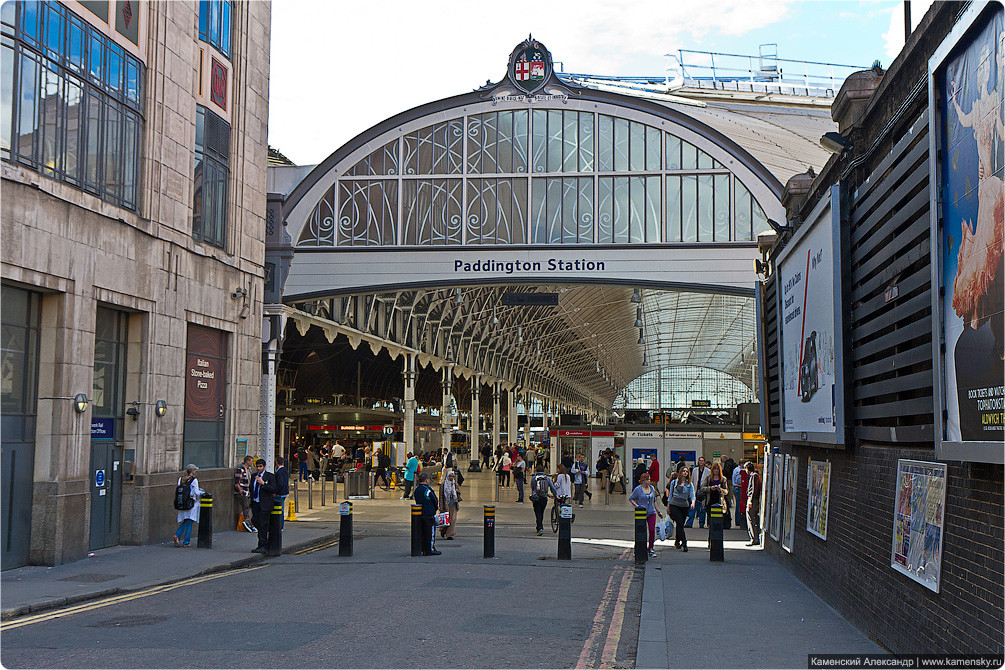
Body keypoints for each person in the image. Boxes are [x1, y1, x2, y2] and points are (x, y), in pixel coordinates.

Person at [628, 472, 664, 558]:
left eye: (649, 479)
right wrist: (637, 506)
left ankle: (650, 548)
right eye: (648, 479)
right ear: (643, 480)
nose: (649, 481)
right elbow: (631, 498)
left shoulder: (651, 488)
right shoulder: (638, 489)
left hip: (651, 512)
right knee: (641, 532)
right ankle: (638, 548)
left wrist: (659, 511)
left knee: (652, 531)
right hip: (641, 514)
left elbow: (654, 500)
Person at [664, 467, 696, 551]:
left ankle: (677, 541)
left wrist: (693, 503)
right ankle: (684, 543)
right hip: (674, 504)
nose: (685, 473)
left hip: (684, 505)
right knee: (679, 522)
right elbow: (670, 496)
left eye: (686, 471)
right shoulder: (674, 483)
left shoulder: (689, 484)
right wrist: (668, 506)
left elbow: (692, 495)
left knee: (680, 524)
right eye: (683, 471)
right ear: (680, 472)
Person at [249, 459, 276, 553]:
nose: (258, 468)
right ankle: (264, 541)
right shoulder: (253, 476)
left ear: (264, 467)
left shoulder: (270, 476)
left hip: (265, 504)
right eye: (257, 466)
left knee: (262, 524)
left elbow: (273, 489)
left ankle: (263, 544)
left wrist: (263, 483)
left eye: (260, 466)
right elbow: (251, 488)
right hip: (255, 503)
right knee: (255, 521)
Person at [174, 464, 204, 547]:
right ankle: (186, 542)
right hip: (191, 503)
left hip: (182, 503)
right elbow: (196, 492)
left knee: (186, 520)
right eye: (195, 470)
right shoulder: (194, 480)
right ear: (192, 471)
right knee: (190, 522)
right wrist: (202, 493)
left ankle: (177, 535)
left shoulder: (180, 479)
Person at [413, 473, 440, 555]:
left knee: (422, 532)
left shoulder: (417, 489)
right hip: (429, 513)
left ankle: (422, 548)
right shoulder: (428, 489)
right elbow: (434, 500)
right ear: (426, 480)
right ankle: (430, 549)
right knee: (430, 532)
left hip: (419, 514)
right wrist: (436, 508)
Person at [700, 462, 731, 527]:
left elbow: (726, 491)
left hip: (720, 502)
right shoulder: (708, 478)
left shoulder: (723, 479)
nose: (716, 471)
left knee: (718, 522)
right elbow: (702, 488)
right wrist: (710, 488)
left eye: (717, 469)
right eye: (714, 469)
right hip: (710, 501)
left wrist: (720, 490)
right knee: (711, 522)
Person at [530, 464, 557, 535]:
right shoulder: (547, 478)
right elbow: (552, 488)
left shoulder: (534, 478)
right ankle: (540, 526)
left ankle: (539, 527)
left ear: (536, 470)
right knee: (541, 512)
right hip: (544, 498)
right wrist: (555, 495)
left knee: (537, 512)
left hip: (536, 497)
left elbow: (532, 487)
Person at [687, 457, 711, 528]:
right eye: (700, 460)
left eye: (702, 461)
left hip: (703, 491)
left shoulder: (708, 471)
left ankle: (701, 523)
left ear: (704, 462)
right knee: (692, 508)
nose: (701, 462)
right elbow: (692, 480)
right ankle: (689, 523)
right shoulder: (694, 470)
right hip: (695, 491)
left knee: (702, 509)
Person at [233, 455, 254, 533]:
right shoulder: (240, 469)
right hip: (242, 492)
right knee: (246, 507)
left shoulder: (249, 469)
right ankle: (247, 522)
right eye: (251, 461)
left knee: (248, 507)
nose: (252, 463)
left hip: (248, 491)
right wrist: (240, 491)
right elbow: (236, 482)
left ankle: (248, 522)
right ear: (247, 461)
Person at [438, 469, 460, 540]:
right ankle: (443, 530)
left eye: (453, 476)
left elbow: (458, 492)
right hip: (446, 505)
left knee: (452, 520)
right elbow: (441, 497)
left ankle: (449, 534)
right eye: (450, 476)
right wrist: (441, 507)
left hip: (453, 504)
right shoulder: (443, 485)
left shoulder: (454, 484)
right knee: (446, 520)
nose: (451, 478)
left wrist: (457, 491)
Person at [745, 462, 762, 546]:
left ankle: (754, 538)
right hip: (755, 500)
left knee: (751, 518)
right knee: (754, 518)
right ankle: (755, 537)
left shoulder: (753, 476)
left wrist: (750, 500)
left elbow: (753, 490)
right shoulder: (757, 475)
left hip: (753, 500)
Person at [274, 456, 290, 530]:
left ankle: (280, 525)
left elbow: (280, 483)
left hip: (280, 493)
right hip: (284, 492)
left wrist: (275, 491)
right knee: (281, 508)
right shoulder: (285, 470)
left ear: (276, 462)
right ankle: (280, 525)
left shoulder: (279, 472)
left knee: (279, 510)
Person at [733, 461, 748, 530]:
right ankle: (738, 520)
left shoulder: (740, 470)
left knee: (740, 504)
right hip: (738, 488)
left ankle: (738, 520)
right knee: (739, 504)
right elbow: (736, 480)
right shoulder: (737, 470)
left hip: (740, 488)